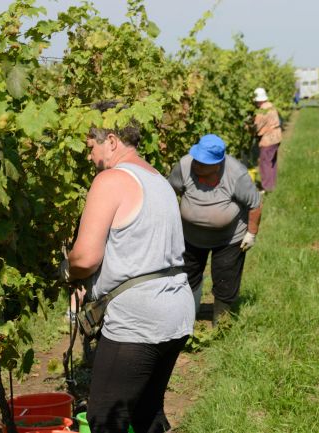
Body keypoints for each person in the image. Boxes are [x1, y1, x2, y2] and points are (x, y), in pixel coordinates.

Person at [61, 101, 195, 433]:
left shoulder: (111, 180)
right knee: (147, 413)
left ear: (110, 140)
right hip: (176, 310)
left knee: (105, 417)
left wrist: (68, 270)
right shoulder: (157, 179)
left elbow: (86, 257)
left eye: (91, 146)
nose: (89, 156)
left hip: (139, 319)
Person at [168, 134, 262, 326]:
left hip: (229, 238)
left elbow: (255, 204)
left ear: (217, 164)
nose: (197, 165)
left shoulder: (236, 174)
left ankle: (222, 323)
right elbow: (170, 191)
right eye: (196, 159)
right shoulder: (185, 166)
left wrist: (251, 233)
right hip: (191, 236)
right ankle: (187, 319)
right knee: (187, 275)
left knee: (225, 279)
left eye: (203, 163)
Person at [253, 87, 282, 193]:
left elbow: (257, 127)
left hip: (268, 139)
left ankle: (266, 187)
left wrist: (249, 127)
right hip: (277, 137)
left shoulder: (262, 111)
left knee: (265, 163)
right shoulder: (271, 106)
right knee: (272, 161)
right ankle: (272, 185)